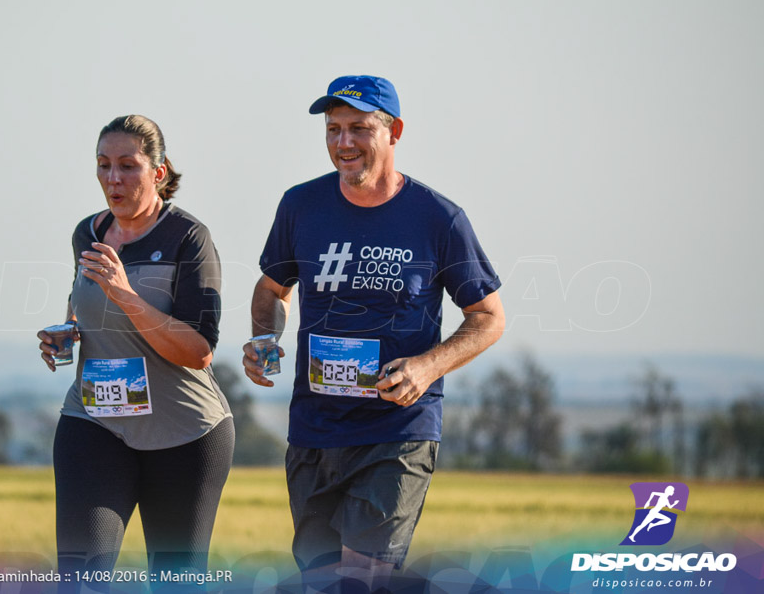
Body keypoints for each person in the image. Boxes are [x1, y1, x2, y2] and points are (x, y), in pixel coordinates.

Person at [242, 75, 505, 591]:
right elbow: (272, 289)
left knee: (363, 581)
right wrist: (264, 340)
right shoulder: (301, 206)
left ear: (394, 132)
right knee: (320, 582)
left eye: (359, 128)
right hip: (314, 431)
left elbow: (488, 317)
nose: (343, 143)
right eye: (333, 129)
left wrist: (427, 367)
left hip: (397, 432)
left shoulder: (438, 218)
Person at [38, 115, 234, 587]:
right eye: (104, 165)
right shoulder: (87, 233)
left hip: (184, 433)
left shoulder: (189, 238)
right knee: (80, 580)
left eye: (128, 166)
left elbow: (199, 350)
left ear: (159, 173)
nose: (113, 179)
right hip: (96, 423)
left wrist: (126, 293)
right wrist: (67, 330)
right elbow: (83, 299)